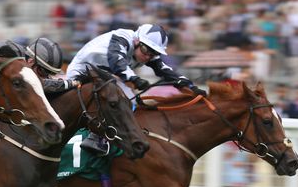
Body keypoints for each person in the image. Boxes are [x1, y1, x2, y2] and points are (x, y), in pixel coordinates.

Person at [66, 23, 206, 155]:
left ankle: (111, 136)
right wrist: (134, 79)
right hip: (82, 71)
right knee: (119, 98)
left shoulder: (146, 51)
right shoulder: (122, 37)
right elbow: (117, 60)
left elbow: (165, 70)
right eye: (146, 50)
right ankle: (96, 138)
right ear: (136, 41)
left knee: (130, 102)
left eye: (153, 54)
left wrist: (191, 86)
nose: (147, 57)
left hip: (105, 76)